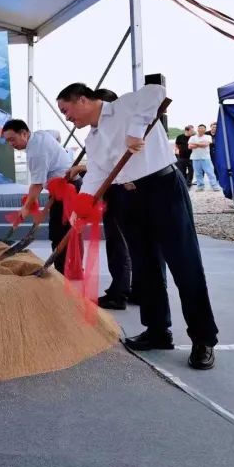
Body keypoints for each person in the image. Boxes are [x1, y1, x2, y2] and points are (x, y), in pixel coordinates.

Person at [57, 82, 218, 370]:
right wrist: (82, 207)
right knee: (145, 268)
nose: (67, 117)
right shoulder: (93, 138)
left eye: (66, 110)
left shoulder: (125, 106)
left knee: (185, 265)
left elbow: (156, 92)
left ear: (82, 100)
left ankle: (203, 338)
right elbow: (96, 174)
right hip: (128, 197)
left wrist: (134, 131)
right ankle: (157, 331)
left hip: (163, 188)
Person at [65, 90, 137, 310]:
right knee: (120, 243)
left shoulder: (124, 123)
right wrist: (81, 204)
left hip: (128, 191)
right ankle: (131, 290)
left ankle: (121, 292)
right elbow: (102, 166)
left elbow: (116, 163)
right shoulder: (94, 135)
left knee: (121, 243)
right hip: (114, 190)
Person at [0, 120, 72, 267]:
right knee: (62, 231)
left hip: (67, 190)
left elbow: (37, 184)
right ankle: (67, 266)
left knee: (58, 234)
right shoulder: (41, 134)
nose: (11, 144)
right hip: (60, 187)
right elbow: (57, 134)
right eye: (7, 141)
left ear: (24, 134)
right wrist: (57, 152)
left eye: (12, 139)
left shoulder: (36, 153)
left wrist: (26, 207)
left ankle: (62, 271)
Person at [189, 124, 221, 192]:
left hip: (206, 158)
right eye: (200, 128)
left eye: (203, 128)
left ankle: (214, 186)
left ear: (205, 130)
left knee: (210, 172)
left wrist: (195, 144)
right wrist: (200, 144)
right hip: (195, 158)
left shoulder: (208, 136)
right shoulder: (192, 137)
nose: (201, 129)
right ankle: (200, 187)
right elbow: (190, 146)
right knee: (198, 174)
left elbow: (206, 144)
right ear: (197, 129)